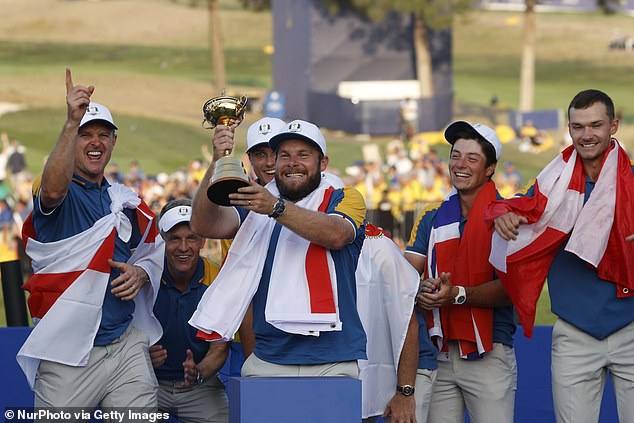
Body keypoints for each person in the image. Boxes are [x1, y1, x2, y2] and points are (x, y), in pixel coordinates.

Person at [17, 69, 164, 412]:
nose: (95, 142)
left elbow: (153, 251)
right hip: (67, 351)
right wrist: (70, 123)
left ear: (114, 142)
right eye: (86, 134)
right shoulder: (61, 194)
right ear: (73, 140)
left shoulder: (124, 200)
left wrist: (141, 273)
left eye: (103, 135)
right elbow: (52, 189)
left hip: (125, 344)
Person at [489, 89, 634, 423]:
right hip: (575, 331)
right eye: (578, 126)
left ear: (614, 125)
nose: (586, 135)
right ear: (569, 129)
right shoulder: (553, 185)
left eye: (595, 125)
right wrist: (501, 214)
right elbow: (515, 206)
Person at [189, 119, 367, 380]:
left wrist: (275, 208)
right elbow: (203, 224)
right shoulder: (258, 203)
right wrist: (217, 161)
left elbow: (336, 234)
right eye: (284, 156)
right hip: (269, 357)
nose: (292, 162)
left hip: (332, 358)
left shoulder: (345, 197)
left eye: (303, 155)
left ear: (323, 163)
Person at [405, 121, 517, 423]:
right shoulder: (432, 217)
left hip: (489, 351)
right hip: (437, 349)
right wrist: (419, 291)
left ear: (490, 168)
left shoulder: (509, 217)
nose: (460, 165)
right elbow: (404, 276)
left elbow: (512, 289)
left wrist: (456, 295)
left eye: (472, 158)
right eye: (455, 155)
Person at [151, 198, 229, 423]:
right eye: (175, 239)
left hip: (200, 387)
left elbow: (220, 347)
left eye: (191, 238)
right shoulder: (145, 274)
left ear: (202, 240)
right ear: (162, 240)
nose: (183, 247)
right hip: (148, 382)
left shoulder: (218, 279)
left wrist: (199, 372)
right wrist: (141, 355)